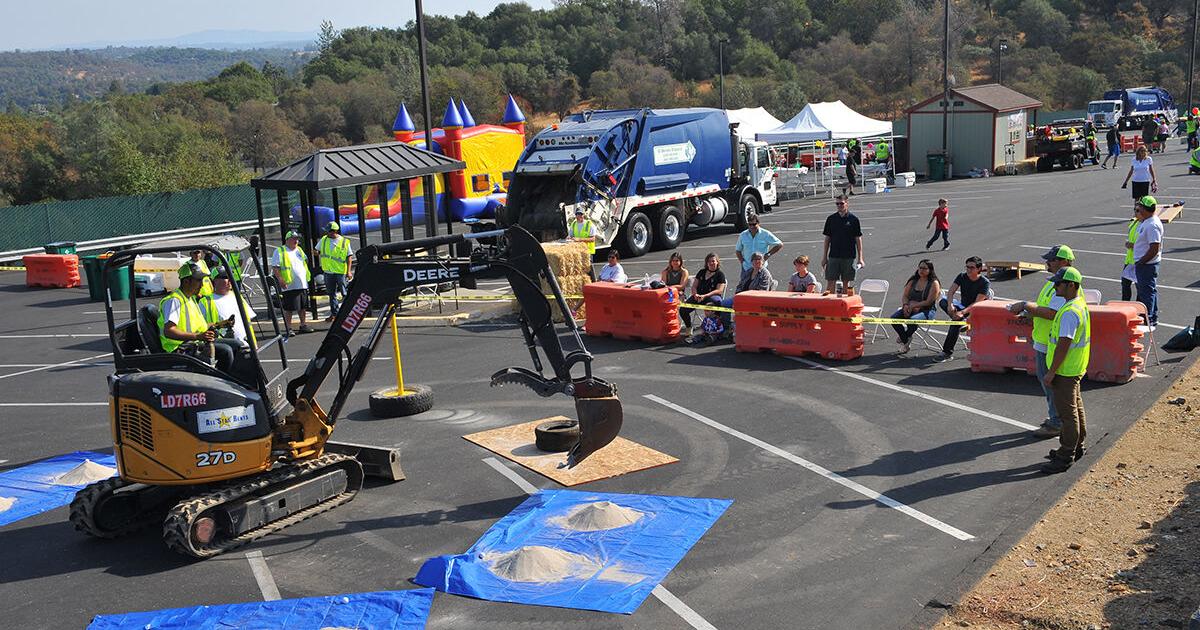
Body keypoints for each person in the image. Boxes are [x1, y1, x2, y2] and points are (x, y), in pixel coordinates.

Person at [1007, 244, 1076, 438]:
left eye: (1052, 259)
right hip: (1043, 340)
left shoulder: (1064, 286)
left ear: (1065, 262)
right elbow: (1045, 309)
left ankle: (1057, 422)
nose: (1048, 262)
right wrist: (1031, 316)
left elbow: (1053, 313)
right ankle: (1056, 418)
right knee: (1046, 383)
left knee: (1051, 383)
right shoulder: (1053, 283)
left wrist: (1026, 306)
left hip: (1050, 344)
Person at [1028, 267, 1091, 474]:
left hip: (1065, 370)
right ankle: (1077, 447)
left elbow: (1064, 344)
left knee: (1067, 414)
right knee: (1076, 408)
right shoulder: (1078, 305)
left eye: (1058, 283)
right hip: (1075, 367)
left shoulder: (1069, 313)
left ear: (1070, 285)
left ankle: (1065, 456)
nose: (1054, 286)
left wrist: (1051, 372)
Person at [159, 263, 234, 372]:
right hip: (180, 349)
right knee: (226, 351)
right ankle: (223, 382)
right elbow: (169, 331)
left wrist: (220, 324)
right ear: (186, 282)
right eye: (198, 281)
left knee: (237, 345)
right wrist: (198, 336)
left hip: (193, 342)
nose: (202, 285)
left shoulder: (190, 299)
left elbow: (200, 326)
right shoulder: (174, 301)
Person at [937, 256, 991, 362]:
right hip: (962, 307)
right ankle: (961, 322)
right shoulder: (962, 276)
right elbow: (951, 291)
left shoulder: (984, 282)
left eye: (971, 267)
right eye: (967, 267)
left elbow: (977, 303)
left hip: (975, 311)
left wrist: (962, 312)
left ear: (979, 269)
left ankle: (947, 352)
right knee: (943, 302)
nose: (968, 270)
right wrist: (950, 305)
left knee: (955, 323)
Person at [889, 259, 941, 355]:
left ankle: (905, 337)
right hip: (910, 307)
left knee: (912, 320)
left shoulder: (934, 283)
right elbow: (905, 296)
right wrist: (905, 305)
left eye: (925, 268)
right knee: (894, 318)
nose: (921, 270)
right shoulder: (913, 280)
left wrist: (914, 305)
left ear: (930, 270)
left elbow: (929, 301)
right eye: (920, 268)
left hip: (927, 310)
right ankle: (906, 340)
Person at [198, 266, 257, 348]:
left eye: (231, 277)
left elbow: (248, 321)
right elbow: (199, 327)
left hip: (246, 346)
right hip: (223, 350)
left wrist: (254, 344)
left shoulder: (237, 297)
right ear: (214, 281)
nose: (230, 280)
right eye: (225, 277)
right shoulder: (205, 302)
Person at [271, 230, 313, 335]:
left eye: (297, 239)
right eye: (294, 239)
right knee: (289, 308)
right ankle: (289, 328)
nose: (296, 241)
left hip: (302, 283)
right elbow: (275, 267)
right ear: (287, 239)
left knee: (302, 306)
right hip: (289, 285)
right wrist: (280, 279)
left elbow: (305, 261)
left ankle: (303, 325)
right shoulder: (280, 251)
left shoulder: (299, 250)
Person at [821, 194, 864, 295]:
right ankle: (830, 305)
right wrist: (824, 257)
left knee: (846, 283)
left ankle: (844, 306)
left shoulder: (853, 219)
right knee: (830, 282)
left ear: (847, 203)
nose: (839, 205)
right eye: (837, 204)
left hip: (849, 256)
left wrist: (860, 258)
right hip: (834, 256)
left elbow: (858, 239)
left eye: (841, 203)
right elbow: (827, 238)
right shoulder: (831, 219)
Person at [720, 251, 774, 329]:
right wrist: (738, 296)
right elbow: (740, 285)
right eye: (755, 259)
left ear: (763, 261)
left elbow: (762, 291)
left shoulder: (765, 274)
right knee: (725, 303)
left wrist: (745, 299)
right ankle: (726, 327)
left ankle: (740, 328)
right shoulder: (749, 271)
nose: (757, 261)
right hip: (742, 297)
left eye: (759, 259)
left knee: (740, 307)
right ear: (751, 262)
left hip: (754, 300)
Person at [1132, 194, 1163, 325]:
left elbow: (1154, 248)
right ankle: (1151, 316)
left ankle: (1148, 318)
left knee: (1147, 292)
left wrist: (1142, 262)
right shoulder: (1147, 221)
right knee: (1149, 290)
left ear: (1145, 209)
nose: (1138, 210)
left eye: (1139, 208)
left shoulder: (1152, 225)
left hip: (1147, 265)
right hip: (1146, 263)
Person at [316, 221, 353, 322]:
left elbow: (349, 257)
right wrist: (315, 252)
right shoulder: (324, 240)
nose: (327, 233)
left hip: (340, 272)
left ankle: (346, 314)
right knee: (331, 294)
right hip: (328, 272)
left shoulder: (344, 242)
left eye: (329, 231)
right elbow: (317, 251)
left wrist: (349, 271)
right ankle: (335, 314)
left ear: (334, 231)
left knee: (344, 293)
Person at [681, 253, 727, 333]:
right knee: (683, 309)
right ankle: (688, 327)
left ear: (717, 262)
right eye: (709, 261)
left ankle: (718, 326)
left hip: (711, 296)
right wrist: (695, 294)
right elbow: (694, 286)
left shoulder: (720, 274)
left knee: (718, 302)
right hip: (698, 296)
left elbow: (719, 290)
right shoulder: (701, 272)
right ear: (706, 263)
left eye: (713, 261)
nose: (711, 263)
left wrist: (705, 296)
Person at [1120, 202, 1143, 301]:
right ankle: (1125, 305)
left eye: (1137, 210)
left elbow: (1145, 245)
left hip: (1139, 261)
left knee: (1140, 288)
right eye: (1134, 210)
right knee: (1125, 284)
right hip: (1129, 261)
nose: (1135, 212)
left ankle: (1139, 308)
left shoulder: (1145, 225)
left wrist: (1133, 245)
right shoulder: (1134, 222)